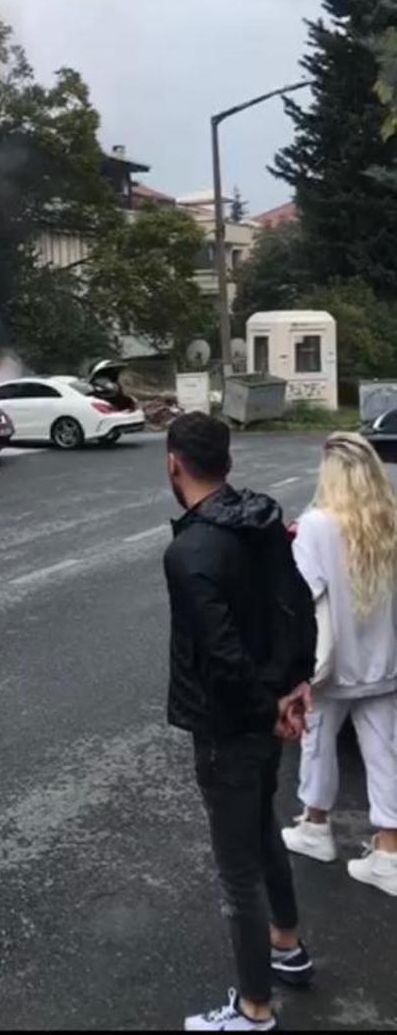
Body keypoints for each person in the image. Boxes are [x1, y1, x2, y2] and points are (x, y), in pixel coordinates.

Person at [163, 412, 317, 1033]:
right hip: (269, 707)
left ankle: (254, 1008)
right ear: (226, 460)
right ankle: (288, 945)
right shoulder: (260, 517)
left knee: (238, 871)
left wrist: (266, 709)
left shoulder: (189, 552)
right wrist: (295, 686)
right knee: (263, 831)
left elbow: (220, 657)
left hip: (229, 727)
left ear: (172, 463)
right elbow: (300, 602)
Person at [282, 432, 397, 896]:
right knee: (386, 756)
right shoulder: (389, 521)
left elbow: (302, 598)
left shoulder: (315, 525)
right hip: (386, 665)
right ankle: (389, 854)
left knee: (316, 746)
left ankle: (315, 828)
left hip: (332, 669)